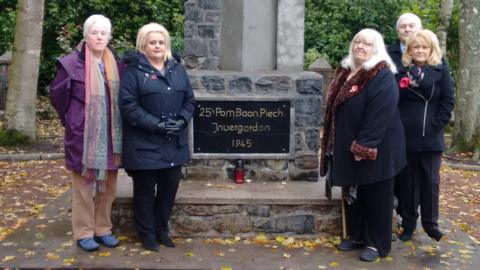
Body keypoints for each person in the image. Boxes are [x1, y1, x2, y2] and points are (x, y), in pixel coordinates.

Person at [320, 29, 406, 261]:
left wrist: (364, 145)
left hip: (377, 146)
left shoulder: (382, 74)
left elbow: (381, 114)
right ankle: (357, 235)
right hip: (348, 143)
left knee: (376, 195)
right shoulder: (346, 69)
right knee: (353, 193)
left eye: (367, 43)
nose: (360, 46)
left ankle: (376, 244)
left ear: (376, 48)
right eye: (357, 41)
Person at [119, 23, 195, 252]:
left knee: (168, 189)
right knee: (144, 191)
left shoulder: (177, 69)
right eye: (152, 42)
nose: (157, 46)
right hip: (145, 144)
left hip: (173, 142)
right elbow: (129, 106)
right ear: (143, 44)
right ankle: (147, 234)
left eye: (161, 42)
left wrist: (181, 120)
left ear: (167, 45)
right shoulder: (133, 72)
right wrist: (157, 125)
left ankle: (162, 230)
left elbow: (190, 100)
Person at [49, 14, 122, 252]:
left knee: (108, 187)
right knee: (84, 187)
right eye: (94, 32)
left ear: (109, 36)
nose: (99, 36)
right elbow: (58, 97)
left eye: (103, 33)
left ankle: (103, 229)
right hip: (84, 135)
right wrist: (73, 120)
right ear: (86, 36)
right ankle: (83, 232)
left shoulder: (116, 63)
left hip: (111, 136)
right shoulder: (70, 64)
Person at [395, 30, 454, 242]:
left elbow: (448, 102)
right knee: (407, 183)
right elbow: (394, 102)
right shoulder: (401, 72)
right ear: (409, 50)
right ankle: (409, 223)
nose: (420, 51)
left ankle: (431, 224)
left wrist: (435, 126)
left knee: (430, 182)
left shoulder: (441, 70)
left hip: (430, 137)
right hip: (406, 136)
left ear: (431, 50)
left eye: (424, 47)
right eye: (416, 47)